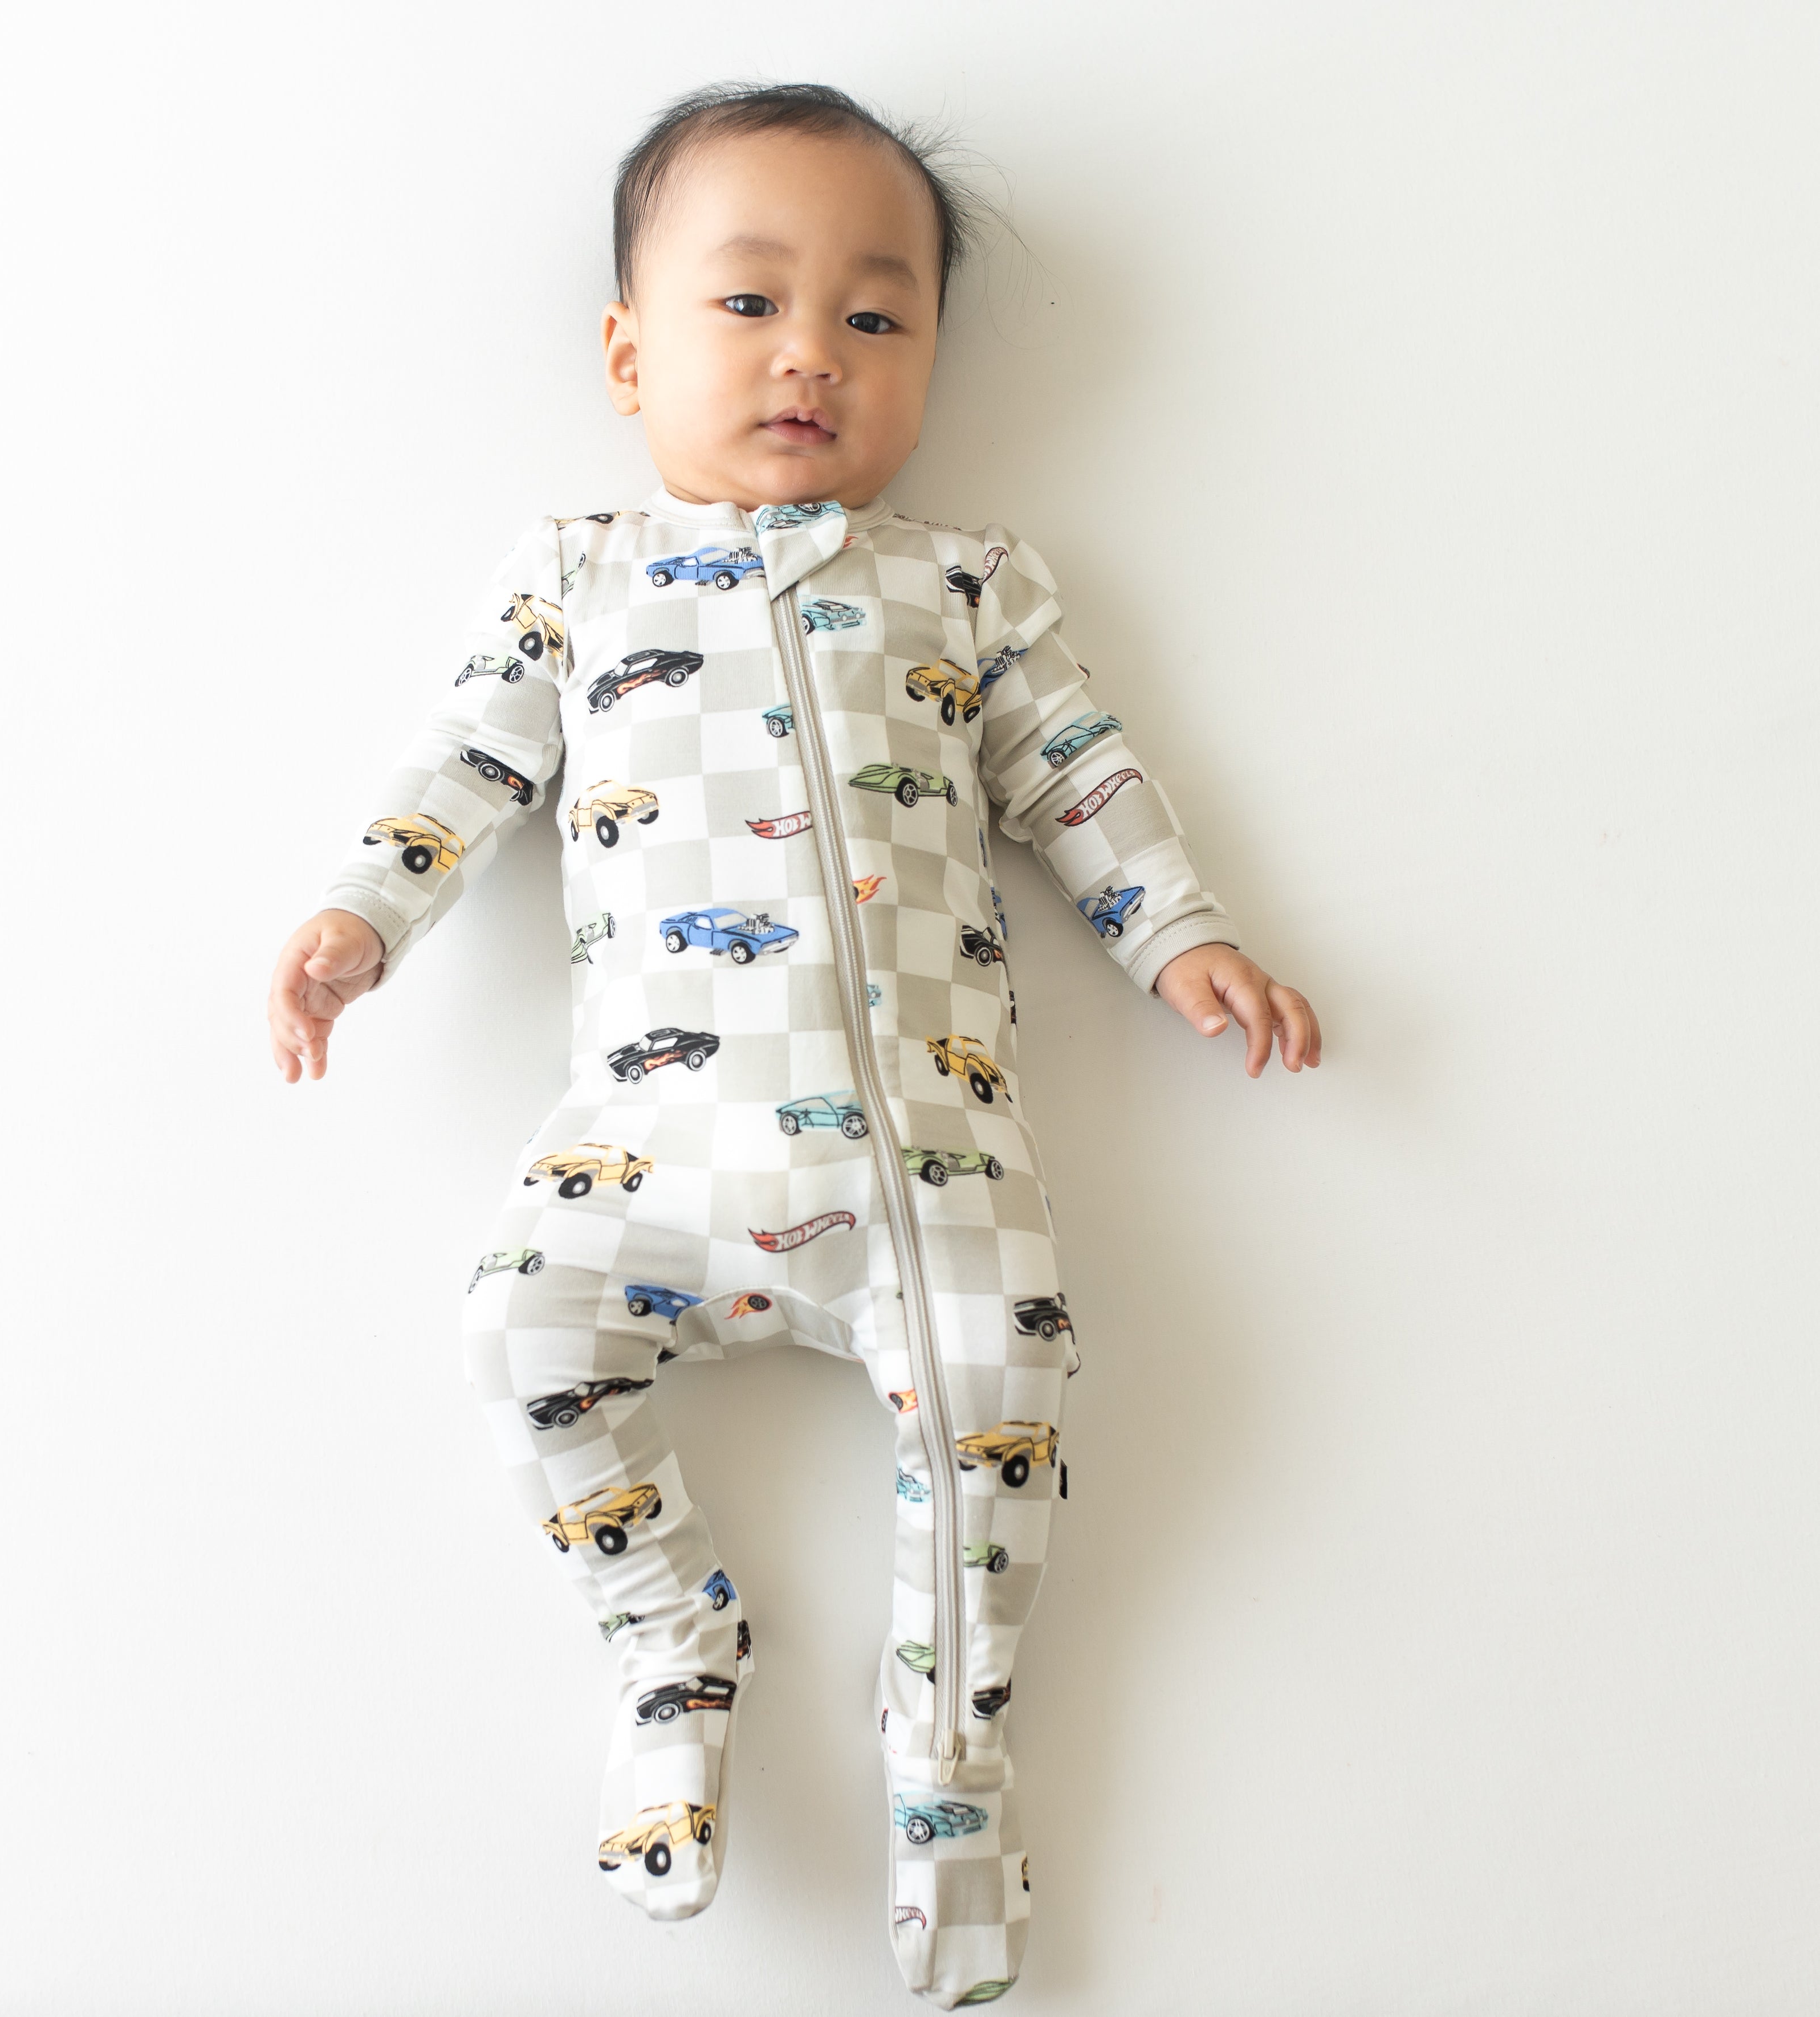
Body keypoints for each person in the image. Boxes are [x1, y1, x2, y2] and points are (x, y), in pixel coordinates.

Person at [264, 80, 1319, 2011]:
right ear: (626, 348)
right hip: (645, 1154)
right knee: (516, 1330)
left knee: (1004, 1405)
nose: (808, 356)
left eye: (873, 313)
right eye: (746, 303)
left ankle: (950, 1778)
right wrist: (359, 918)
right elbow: (461, 771)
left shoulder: (968, 589)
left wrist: (1181, 934)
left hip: (925, 1167)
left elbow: (1082, 779)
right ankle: (671, 1639)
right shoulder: (574, 582)